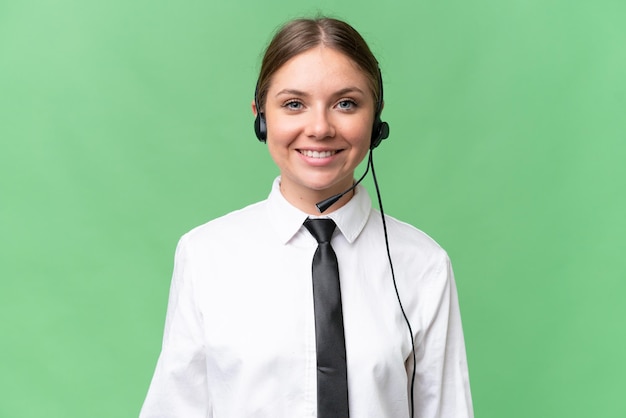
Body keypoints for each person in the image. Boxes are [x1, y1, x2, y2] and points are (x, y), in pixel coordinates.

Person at [140, 17, 473, 418]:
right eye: (294, 104)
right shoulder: (205, 254)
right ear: (261, 117)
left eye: (346, 103)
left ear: (376, 119)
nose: (319, 128)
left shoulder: (423, 264)